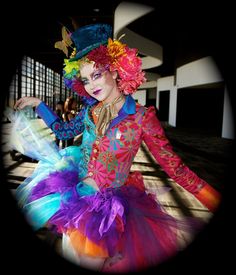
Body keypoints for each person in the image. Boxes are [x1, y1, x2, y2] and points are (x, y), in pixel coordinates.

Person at [13, 23, 221, 273]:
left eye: (97, 74)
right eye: (85, 79)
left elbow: (175, 169)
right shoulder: (90, 111)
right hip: (73, 197)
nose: (91, 85)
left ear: (116, 70)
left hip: (106, 212)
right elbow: (64, 131)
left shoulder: (142, 118)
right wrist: (39, 104)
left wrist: (213, 199)